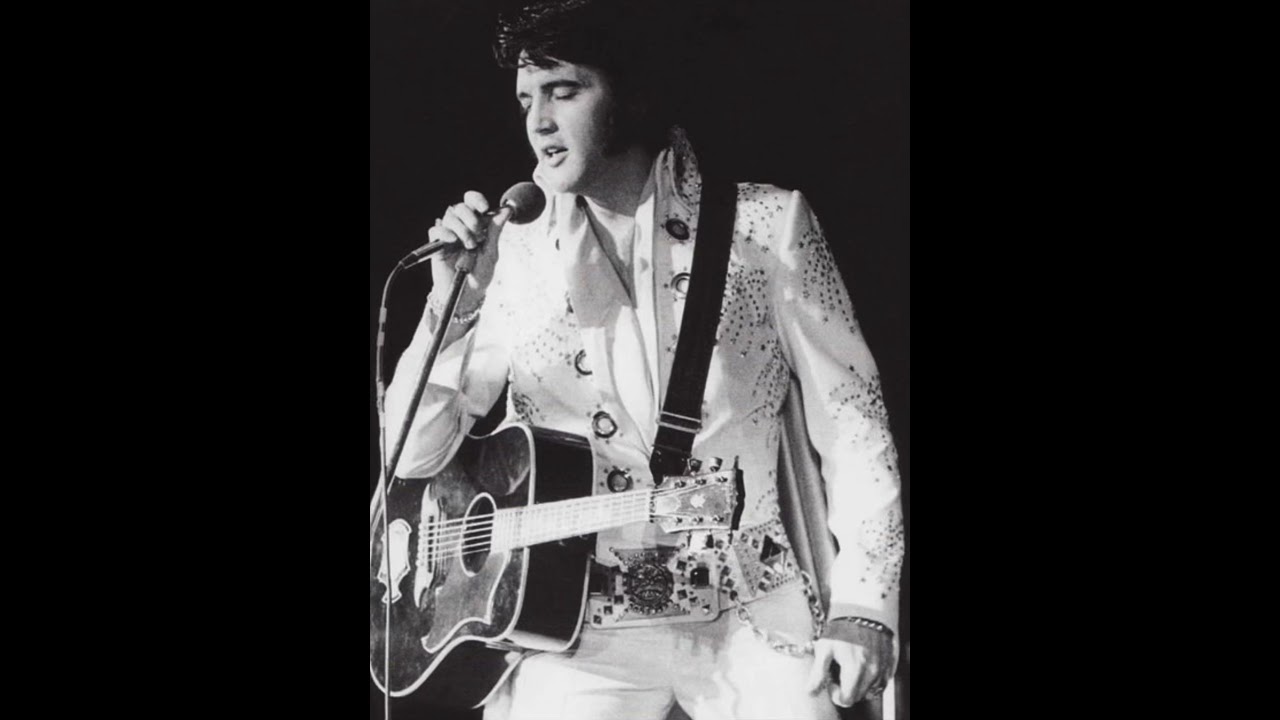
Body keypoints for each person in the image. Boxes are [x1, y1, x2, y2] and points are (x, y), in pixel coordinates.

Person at [384, 1, 904, 718]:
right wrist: (452, 306)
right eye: (527, 99)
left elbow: (855, 423)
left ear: (630, 93)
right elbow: (410, 455)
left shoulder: (764, 225)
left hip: (751, 611)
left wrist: (864, 606)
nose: (539, 122)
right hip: (576, 629)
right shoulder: (513, 255)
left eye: (564, 91)